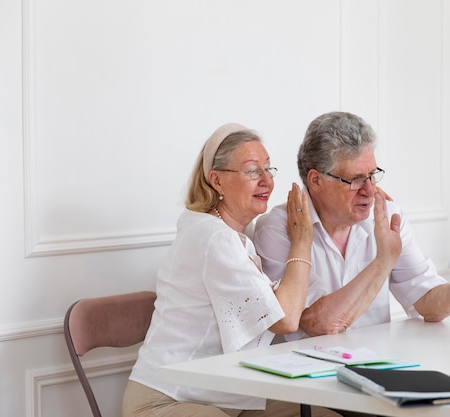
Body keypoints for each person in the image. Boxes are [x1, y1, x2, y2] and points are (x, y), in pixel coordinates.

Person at [123, 123, 340, 417]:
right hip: (167, 398)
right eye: (252, 171)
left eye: (268, 169)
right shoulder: (214, 237)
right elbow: (286, 321)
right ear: (217, 180)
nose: (266, 181)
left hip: (228, 393)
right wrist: (302, 241)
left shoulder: (233, 234)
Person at [253, 111, 450, 341]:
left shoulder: (386, 217)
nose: (369, 190)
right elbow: (318, 323)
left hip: (376, 365)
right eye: (356, 179)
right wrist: (383, 261)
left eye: (372, 175)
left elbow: (428, 302)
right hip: (303, 374)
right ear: (316, 180)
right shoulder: (277, 229)